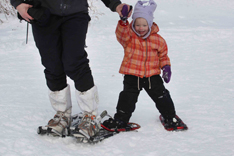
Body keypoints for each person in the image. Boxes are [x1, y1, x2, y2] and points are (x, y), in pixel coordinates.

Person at [10, 0, 132, 138]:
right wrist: (18, 3)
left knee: (74, 62)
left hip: (75, 14)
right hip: (43, 13)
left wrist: (115, 4)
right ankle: (62, 115)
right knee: (52, 64)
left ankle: (90, 117)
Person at [103, 0, 187, 131]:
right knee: (127, 98)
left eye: (144, 25)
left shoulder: (158, 40)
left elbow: (163, 56)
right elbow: (121, 34)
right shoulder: (129, 37)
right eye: (137, 25)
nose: (140, 28)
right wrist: (123, 21)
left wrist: (166, 67)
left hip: (152, 75)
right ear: (133, 24)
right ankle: (121, 120)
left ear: (150, 24)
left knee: (162, 96)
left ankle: (170, 117)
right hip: (132, 75)